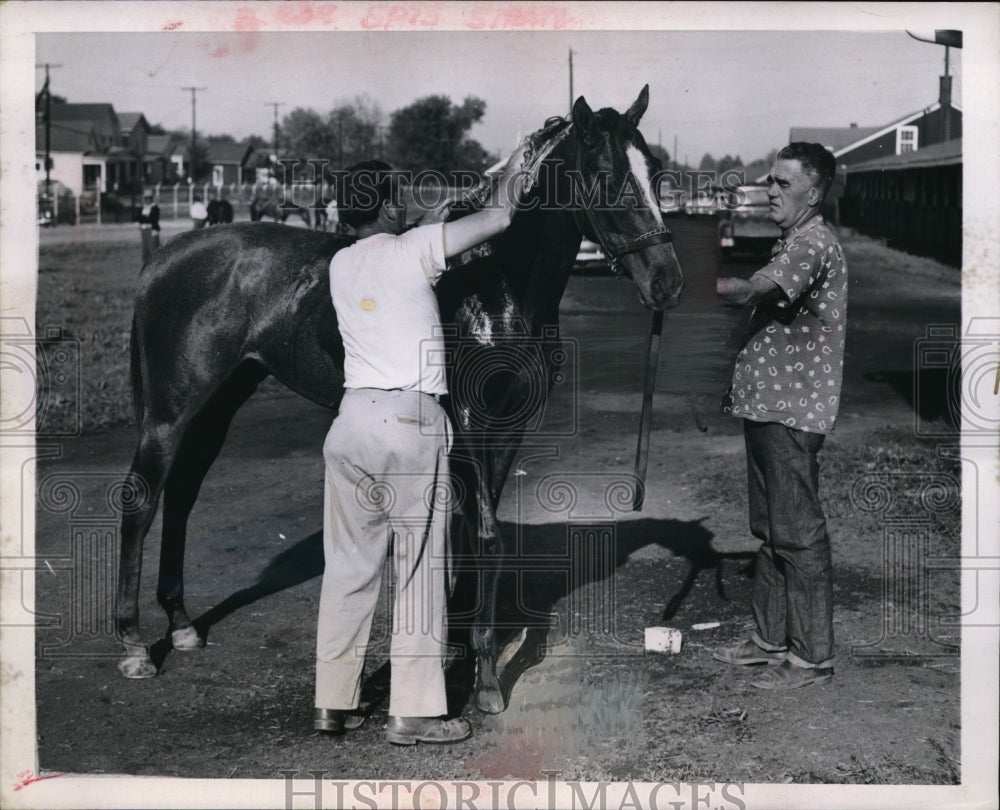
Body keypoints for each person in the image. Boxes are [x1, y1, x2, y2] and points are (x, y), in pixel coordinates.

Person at [314, 147, 530, 744]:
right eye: (401, 196)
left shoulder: (339, 264)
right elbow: (500, 220)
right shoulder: (412, 248)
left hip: (350, 423)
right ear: (385, 208)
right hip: (409, 423)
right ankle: (412, 713)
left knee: (348, 569)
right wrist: (514, 173)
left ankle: (332, 704)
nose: (411, 203)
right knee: (418, 571)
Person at [713, 142, 847, 690]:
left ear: (813, 194)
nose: (770, 191)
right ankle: (770, 640)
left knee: (798, 534)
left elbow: (748, 291)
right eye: (769, 182)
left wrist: (689, 282)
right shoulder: (791, 238)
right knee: (769, 529)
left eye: (782, 184)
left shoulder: (812, 243)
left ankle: (811, 657)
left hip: (791, 412)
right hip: (768, 406)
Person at [136, 189, 160, 263]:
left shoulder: (155, 208)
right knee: (144, 251)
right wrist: (145, 218)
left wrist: (144, 218)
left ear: (152, 198)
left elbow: (153, 218)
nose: (147, 200)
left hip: (152, 230)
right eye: (146, 198)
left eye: (149, 198)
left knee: (153, 251)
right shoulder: (142, 208)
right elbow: (138, 218)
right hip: (143, 231)